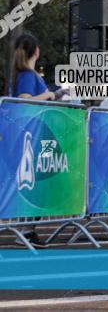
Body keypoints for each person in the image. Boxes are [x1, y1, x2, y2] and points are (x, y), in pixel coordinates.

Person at [10, 34, 59, 248]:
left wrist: (54, 94)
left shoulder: (26, 74)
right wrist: (48, 96)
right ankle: (26, 230)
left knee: (34, 182)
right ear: (36, 51)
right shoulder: (28, 75)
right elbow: (24, 100)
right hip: (31, 135)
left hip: (33, 133)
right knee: (35, 182)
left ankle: (27, 229)